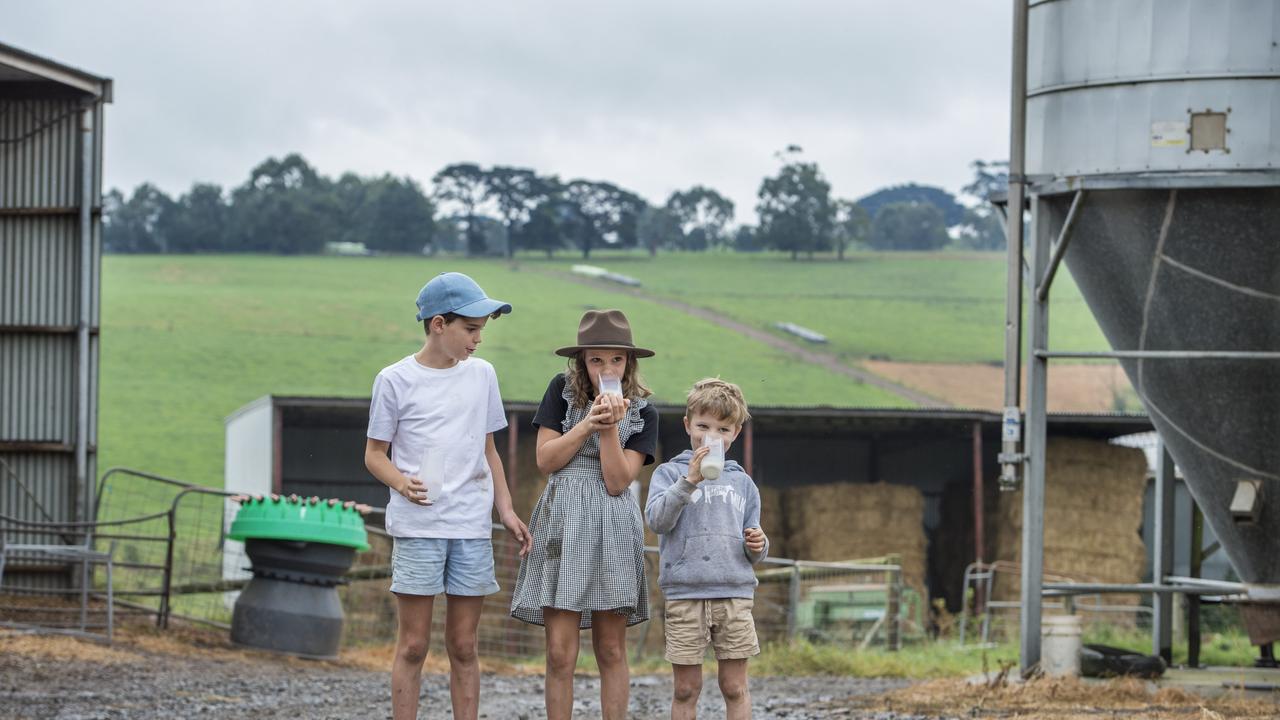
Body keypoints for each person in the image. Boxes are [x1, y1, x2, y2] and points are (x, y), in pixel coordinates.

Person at [364, 272, 532, 720]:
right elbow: (375, 455)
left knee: (463, 644)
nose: (478, 340)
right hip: (419, 527)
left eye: (481, 331)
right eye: (471, 330)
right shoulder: (394, 380)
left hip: (471, 527)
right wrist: (401, 483)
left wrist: (508, 510)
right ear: (439, 324)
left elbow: (489, 451)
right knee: (414, 644)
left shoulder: (482, 376)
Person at [509, 309, 659, 720]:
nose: (606, 367)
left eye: (616, 359)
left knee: (610, 649)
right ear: (582, 361)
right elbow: (545, 460)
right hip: (564, 517)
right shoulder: (560, 391)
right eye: (596, 359)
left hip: (613, 521)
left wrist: (611, 426)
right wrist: (587, 424)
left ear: (629, 361)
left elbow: (617, 482)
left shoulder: (645, 412)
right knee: (560, 652)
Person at [645, 378, 769, 720]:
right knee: (686, 688)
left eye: (722, 429)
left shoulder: (743, 482)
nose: (710, 436)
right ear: (688, 425)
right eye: (703, 426)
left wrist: (759, 545)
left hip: (734, 594)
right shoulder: (669, 474)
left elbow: (754, 540)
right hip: (685, 594)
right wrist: (690, 480)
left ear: (736, 433)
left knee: (734, 686)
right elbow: (657, 521)